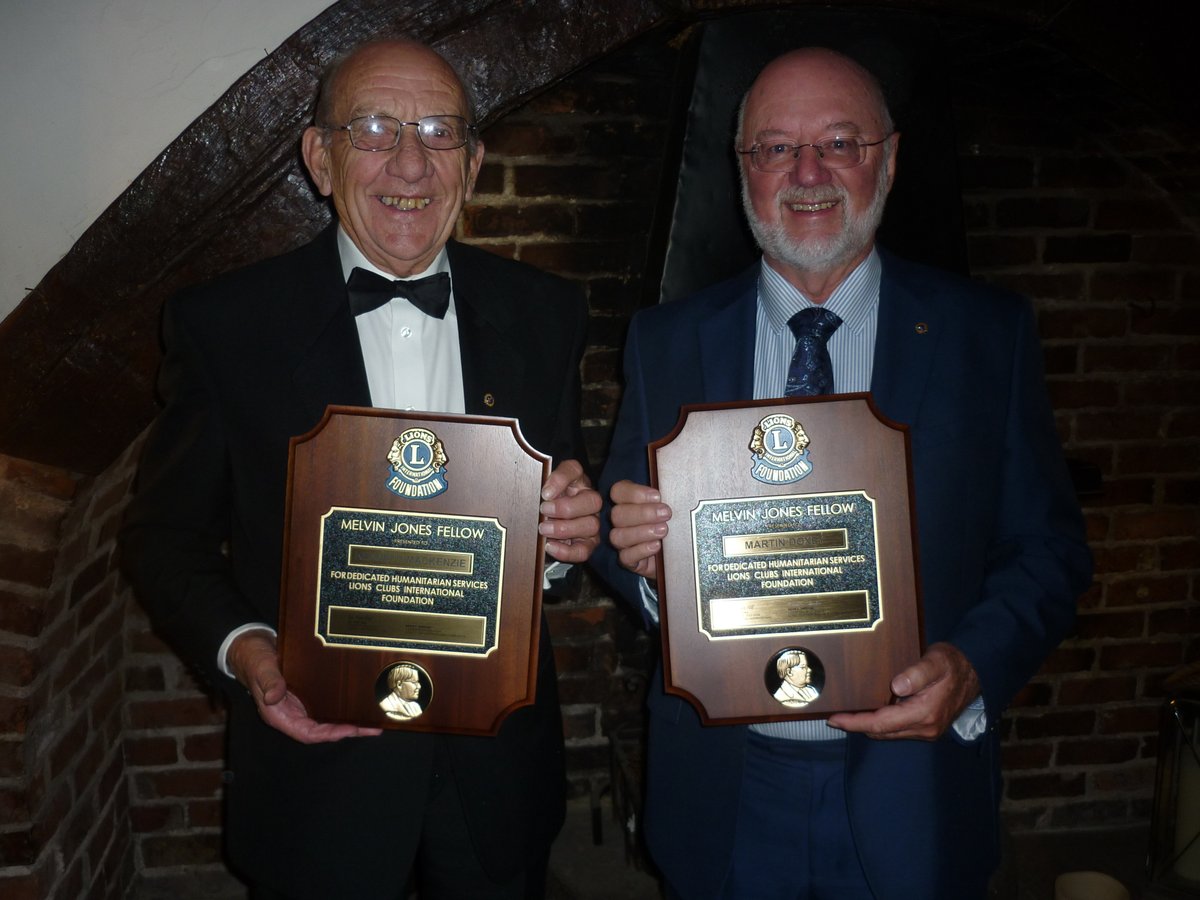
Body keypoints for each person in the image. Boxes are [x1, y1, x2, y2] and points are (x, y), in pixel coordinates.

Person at [594, 47, 1091, 900]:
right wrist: (641, 564)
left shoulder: (986, 334)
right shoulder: (666, 339)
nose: (809, 172)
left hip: (917, 785)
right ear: (743, 169)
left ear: (889, 161)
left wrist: (971, 666)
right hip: (727, 783)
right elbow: (616, 536)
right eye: (776, 148)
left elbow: (1048, 550)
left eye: (841, 142)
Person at [120, 38, 601, 899]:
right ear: (320, 157)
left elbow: (558, 522)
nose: (410, 161)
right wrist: (248, 651)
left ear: (474, 161)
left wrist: (568, 542)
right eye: (374, 128)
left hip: (496, 764)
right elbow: (163, 538)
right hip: (321, 764)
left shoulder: (547, 311)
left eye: (440, 132)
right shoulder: (225, 326)